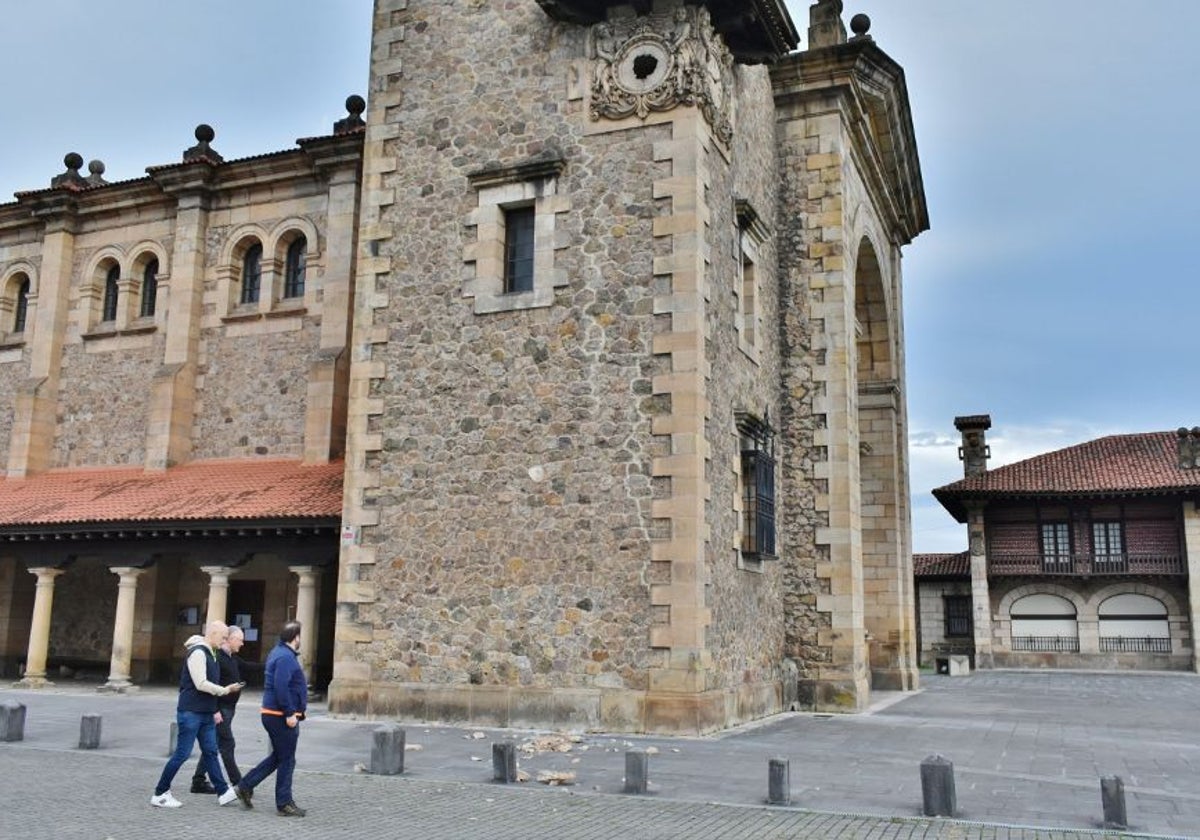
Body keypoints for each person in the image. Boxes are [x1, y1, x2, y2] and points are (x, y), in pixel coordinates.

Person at [151, 620, 244, 808]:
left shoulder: (213, 652)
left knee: (210, 751)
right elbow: (200, 682)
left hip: (206, 712)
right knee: (182, 754)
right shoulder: (198, 652)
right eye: (224, 636)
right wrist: (225, 690)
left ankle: (223, 791)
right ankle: (160, 793)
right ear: (213, 634)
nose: (225, 640)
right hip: (191, 712)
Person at [234, 621, 308, 817]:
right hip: (280, 715)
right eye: (300, 636)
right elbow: (281, 686)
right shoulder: (285, 657)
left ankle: (245, 785)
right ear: (296, 637)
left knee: (279, 756)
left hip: (275, 714)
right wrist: (290, 713)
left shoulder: (281, 653)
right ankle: (284, 803)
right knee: (287, 760)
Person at [189, 624, 256, 794]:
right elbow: (209, 685)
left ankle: (198, 781)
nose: (242, 643)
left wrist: (274, 663)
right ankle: (240, 784)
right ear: (231, 638)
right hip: (221, 709)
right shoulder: (217, 657)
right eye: (240, 640)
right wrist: (215, 710)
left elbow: (250, 667)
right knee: (227, 744)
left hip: (229, 708)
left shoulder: (232, 657)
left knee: (213, 745)